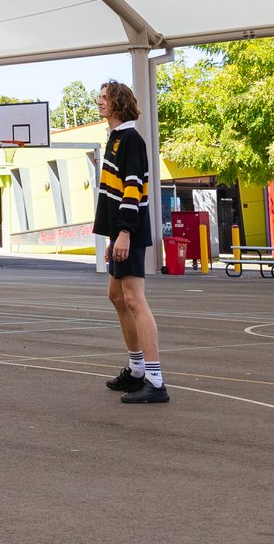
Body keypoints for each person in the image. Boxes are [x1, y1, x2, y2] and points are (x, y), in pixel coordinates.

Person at [95, 80, 168, 404]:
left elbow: (133, 188)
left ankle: (155, 380)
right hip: (122, 232)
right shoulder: (116, 139)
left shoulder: (131, 139)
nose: (99, 103)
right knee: (117, 295)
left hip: (131, 231)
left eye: (104, 98)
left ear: (118, 104)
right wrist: (115, 235)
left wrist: (124, 232)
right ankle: (137, 371)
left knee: (135, 300)